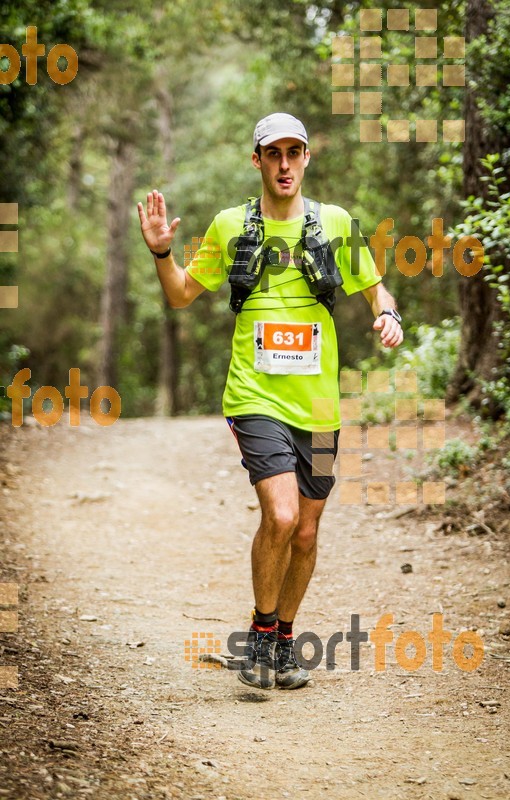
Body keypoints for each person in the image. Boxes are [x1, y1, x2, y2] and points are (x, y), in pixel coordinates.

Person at [137, 113, 403, 691]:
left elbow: (373, 284)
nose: (284, 164)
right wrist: (162, 252)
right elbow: (182, 294)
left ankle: (283, 640)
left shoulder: (333, 222)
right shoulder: (231, 225)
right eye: (273, 153)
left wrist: (386, 312)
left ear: (306, 158)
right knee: (280, 515)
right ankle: (260, 634)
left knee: (306, 533)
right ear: (256, 159)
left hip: (320, 405)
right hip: (255, 395)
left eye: (294, 152)